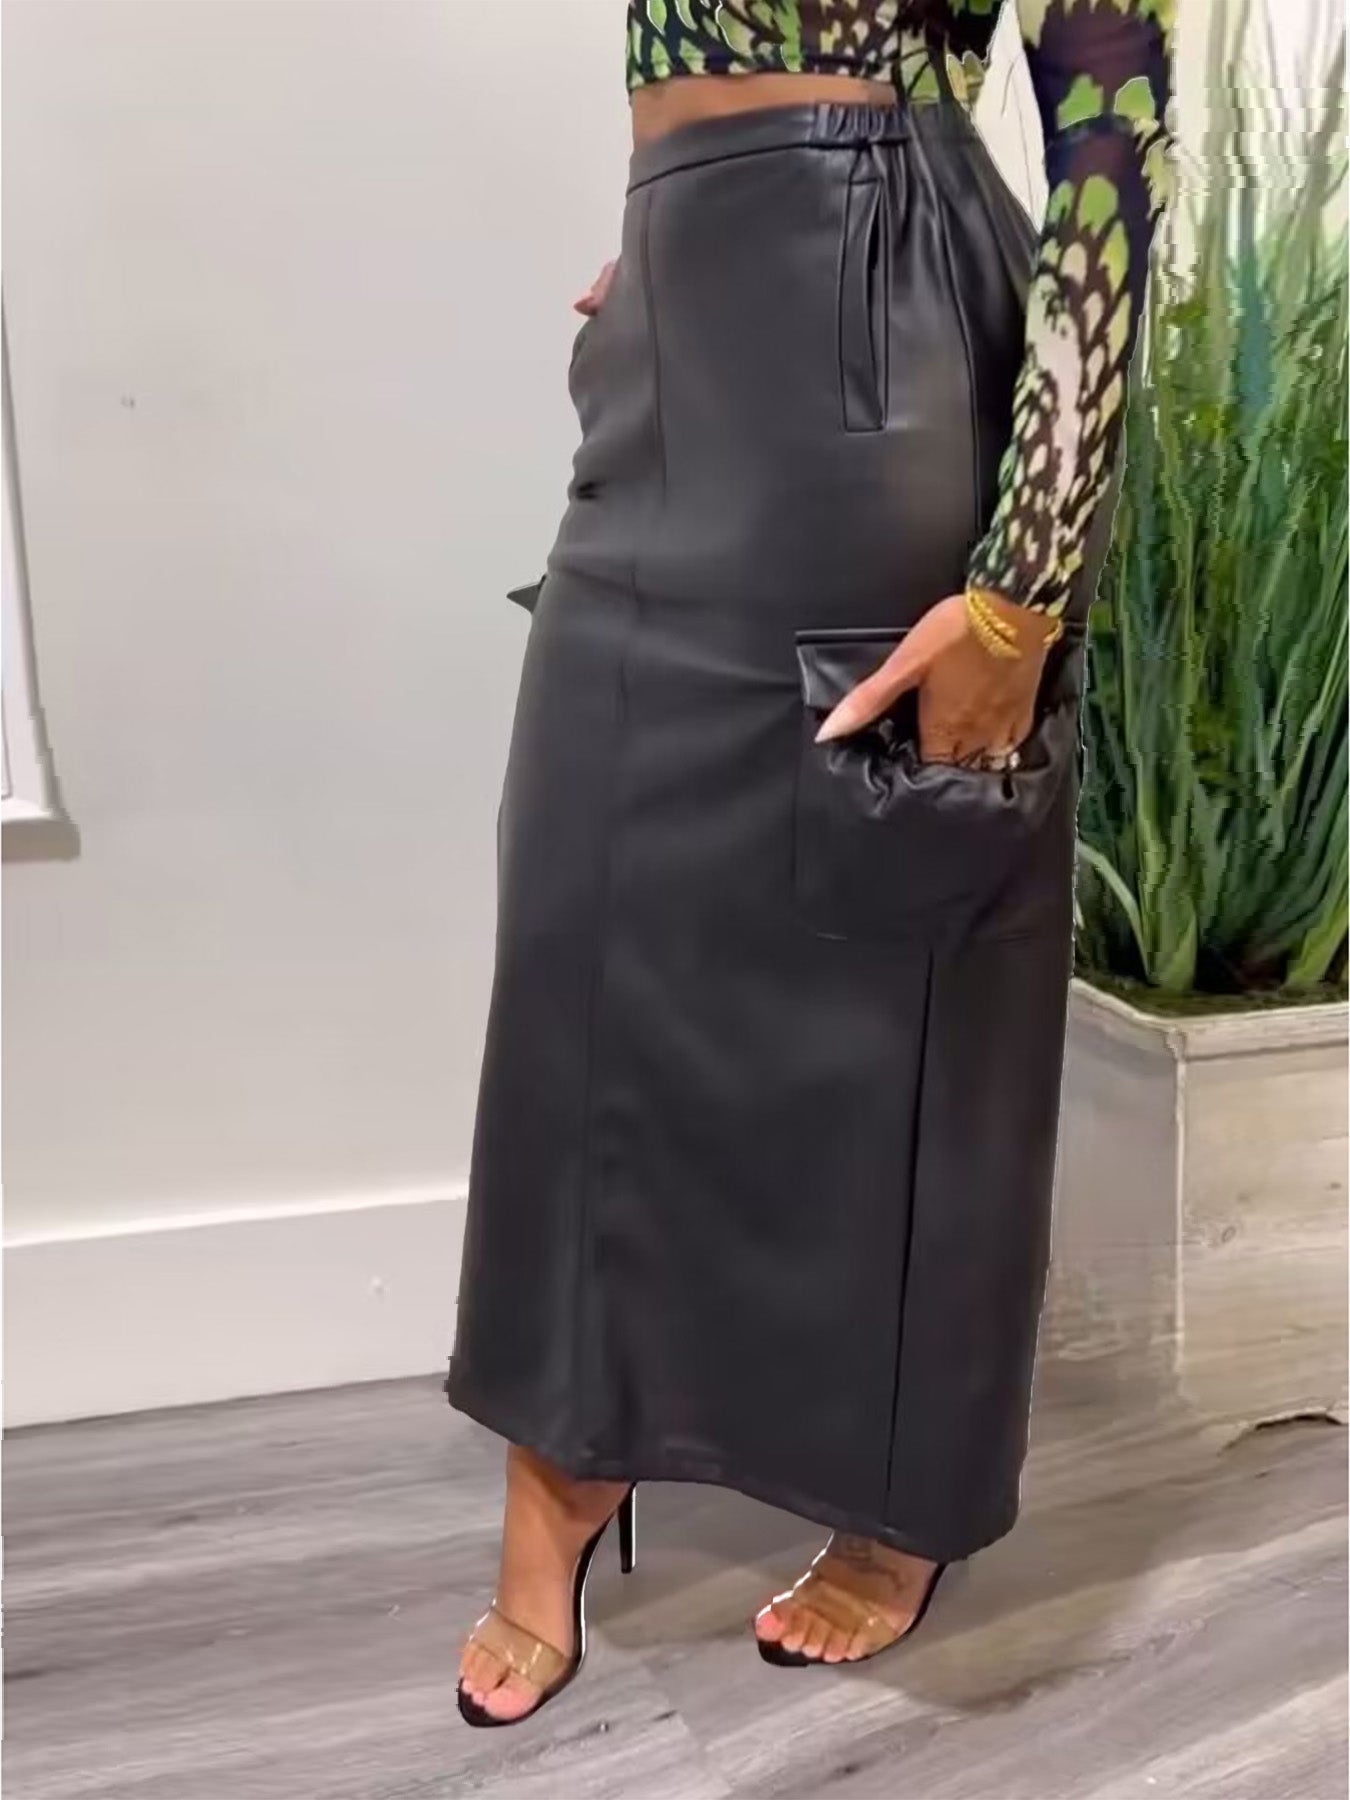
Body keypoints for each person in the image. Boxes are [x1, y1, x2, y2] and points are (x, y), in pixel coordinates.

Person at [448, 0, 1176, 1727]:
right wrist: (670, 265)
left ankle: (899, 1486)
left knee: (893, 935)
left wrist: (1023, 589)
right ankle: (573, 1438)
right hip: (679, 334)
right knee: (585, 918)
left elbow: (1111, 160)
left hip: (883, 340)